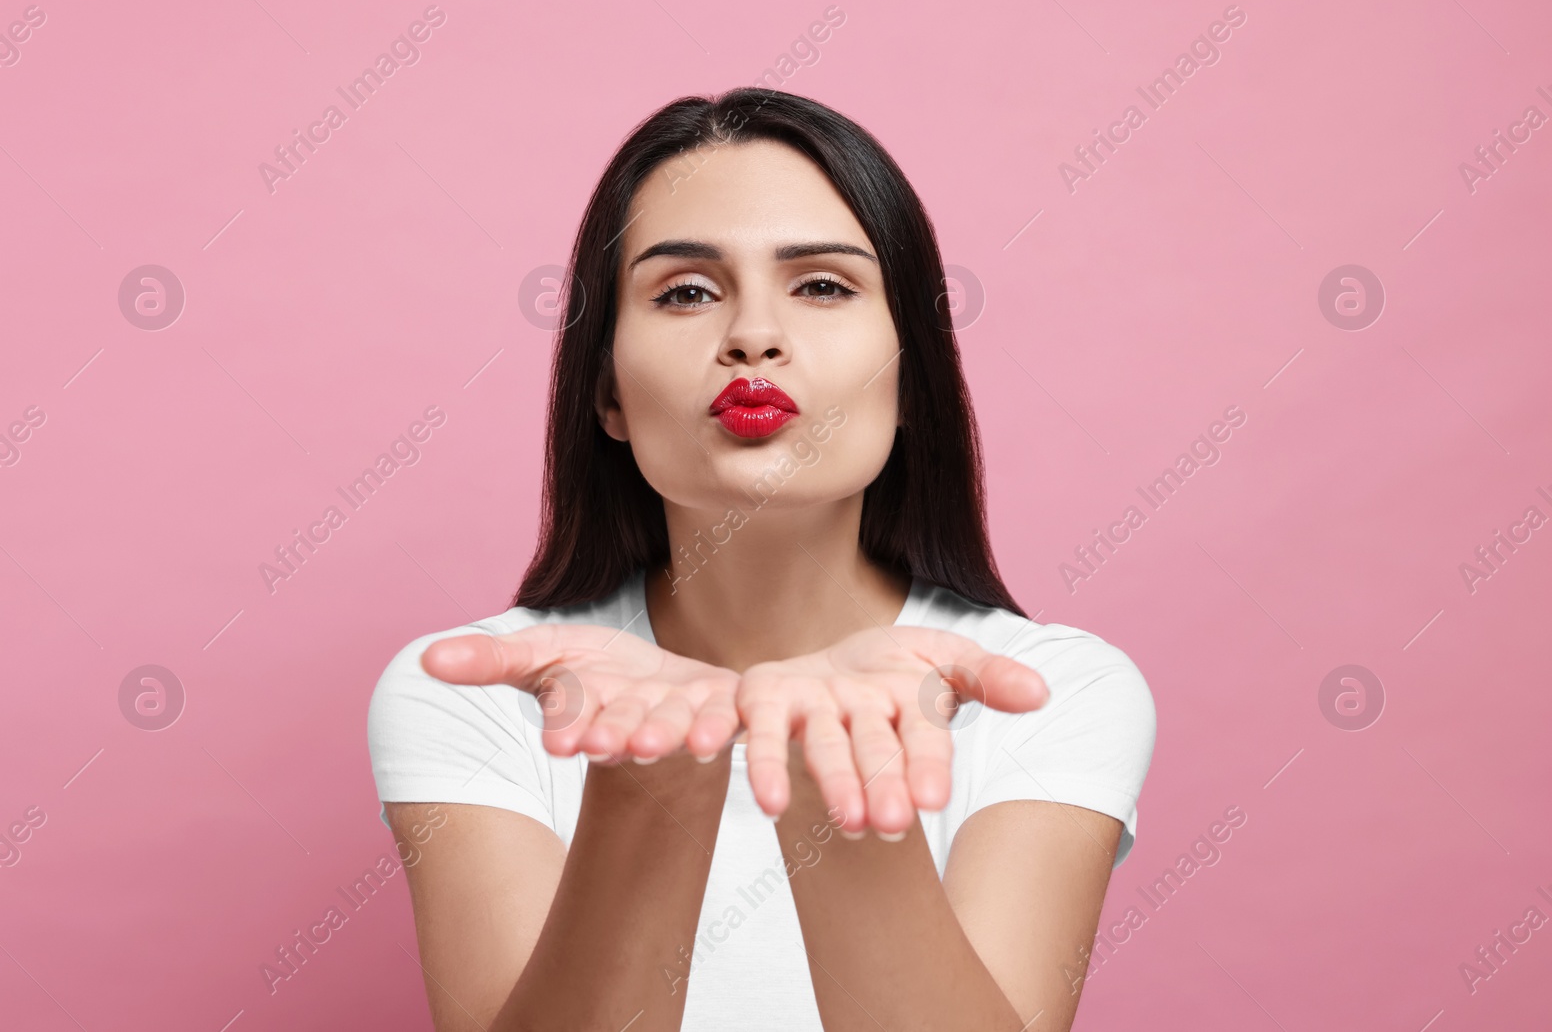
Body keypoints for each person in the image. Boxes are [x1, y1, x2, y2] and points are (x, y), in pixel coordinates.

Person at [367, 87, 1155, 1031]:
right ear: (606, 392)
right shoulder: (480, 697)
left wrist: (845, 788)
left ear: (914, 380)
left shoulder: (1050, 691)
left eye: (822, 285)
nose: (753, 335)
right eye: (685, 292)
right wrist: (649, 786)